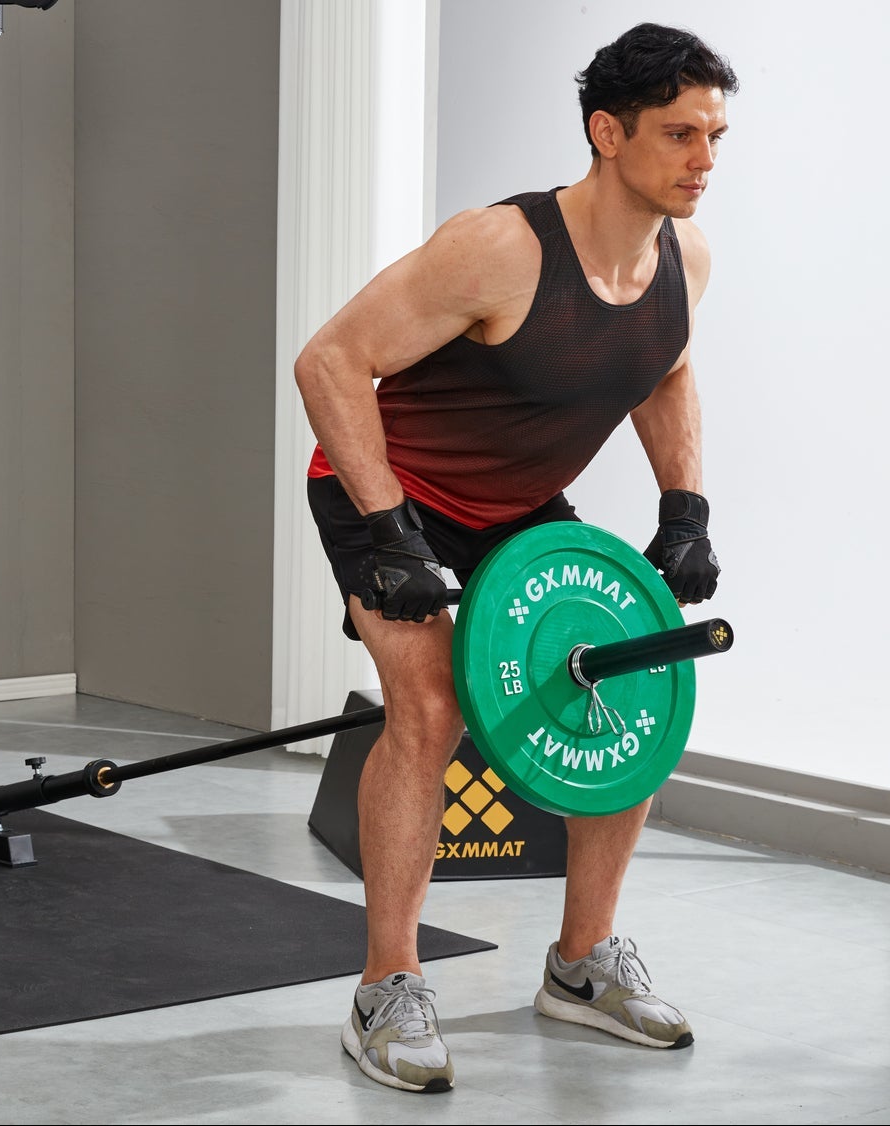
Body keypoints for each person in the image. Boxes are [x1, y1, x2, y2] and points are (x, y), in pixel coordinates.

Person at [293, 23, 736, 1093]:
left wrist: (684, 504)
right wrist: (389, 532)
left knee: (629, 689)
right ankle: (385, 986)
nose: (703, 160)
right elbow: (329, 362)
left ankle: (581, 964)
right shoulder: (500, 247)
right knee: (431, 709)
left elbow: (662, 369)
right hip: (387, 491)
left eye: (715, 136)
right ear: (605, 131)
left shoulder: (684, 257)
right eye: (679, 133)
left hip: (518, 502)